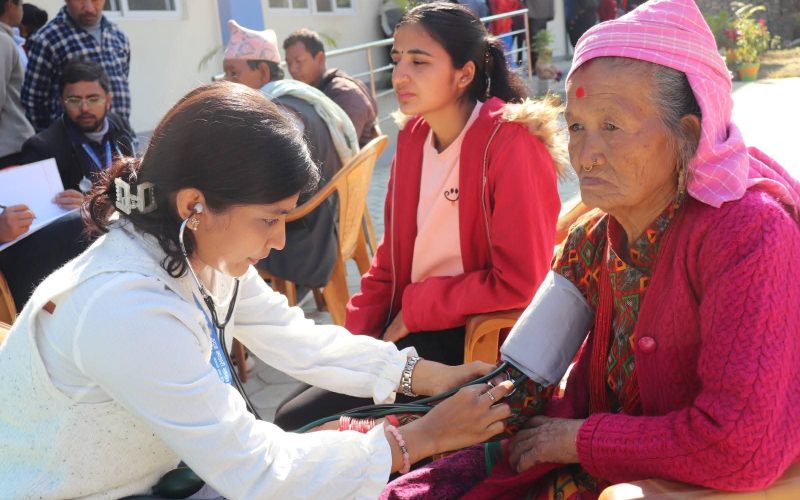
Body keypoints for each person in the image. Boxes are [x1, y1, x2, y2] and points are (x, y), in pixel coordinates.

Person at [0, 81, 516, 498]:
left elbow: (294, 337)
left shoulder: (195, 250)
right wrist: (422, 438)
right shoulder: (125, 308)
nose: (279, 240)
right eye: (270, 219)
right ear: (194, 205)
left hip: (162, 475)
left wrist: (425, 376)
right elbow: (257, 471)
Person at [381, 0, 800, 498]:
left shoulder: (750, 235)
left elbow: (738, 446)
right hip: (584, 458)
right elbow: (524, 382)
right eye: (576, 126)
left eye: (612, 126)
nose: (586, 153)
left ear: (687, 132)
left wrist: (578, 439)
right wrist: (407, 430)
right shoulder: (591, 239)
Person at [274, 2, 564, 431]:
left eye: (419, 61)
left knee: (295, 422)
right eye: (396, 60)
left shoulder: (510, 144)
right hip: (411, 324)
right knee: (293, 404)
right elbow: (389, 261)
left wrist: (416, 309)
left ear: (464, 73)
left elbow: (521, 280)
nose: (401, 75)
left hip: (470, 338)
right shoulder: (412, 138)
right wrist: (354, 340)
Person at [223, 19, 357, 289]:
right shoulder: (299, 97)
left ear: (262, 71)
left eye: (233, 73)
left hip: (301, 236)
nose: (227, 82)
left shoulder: (278, 114)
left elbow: (270, 188)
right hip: (321, 222)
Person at [18, 59, 135, 210]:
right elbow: (38, 214)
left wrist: (96, 205)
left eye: (93, 99)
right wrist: (88, 208)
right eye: (74, 100)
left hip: (124, 225)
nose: (84, 108)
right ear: (61, 102)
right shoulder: (41, 149)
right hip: (78, 230)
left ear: (108, 100)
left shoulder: (120, 128)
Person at [22, 0, 130, 132]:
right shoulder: (48, 39)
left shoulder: (118, 37)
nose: (89, 8)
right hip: (71, 146)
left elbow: (122, 82)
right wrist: (52, 140)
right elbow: (33, 100)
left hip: (117, 139)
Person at [284, 28, 381, 148]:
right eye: (289, 63)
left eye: (299, 61)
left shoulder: (344, 93)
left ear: (319, 58)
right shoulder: (317, 89)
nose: (292, 69)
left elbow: (343, 148)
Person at [0, 0, 34, 168]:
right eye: (20, 4)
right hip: (10, 148)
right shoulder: (2, 41)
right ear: (9, 5)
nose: (22, 9)